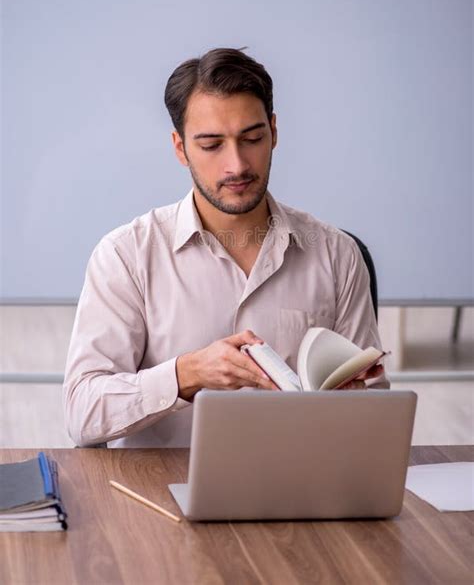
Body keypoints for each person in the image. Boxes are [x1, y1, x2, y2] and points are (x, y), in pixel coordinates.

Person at [63, 47, 389, 448]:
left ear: (274, 132)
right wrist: (186, 375)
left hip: (302, 487)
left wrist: (355, 401)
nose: (236, 165)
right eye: (211, 145)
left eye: (252, 138)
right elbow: (82, 413)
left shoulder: (336, 253)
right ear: (181, 148)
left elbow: (374, 414)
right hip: (160, 497)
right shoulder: (126, 255)